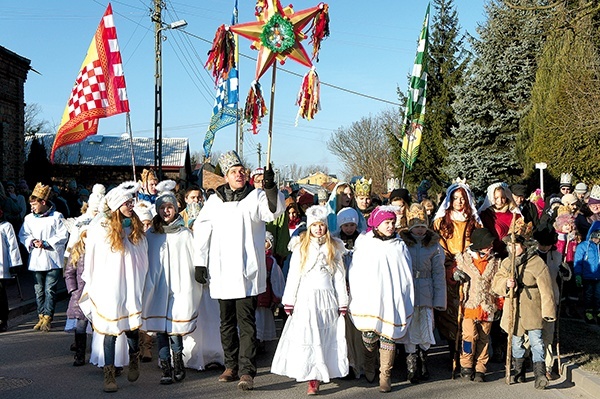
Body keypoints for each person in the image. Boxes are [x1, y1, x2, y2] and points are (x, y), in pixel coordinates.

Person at [193, 150, 285, 391]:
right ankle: (230, 364)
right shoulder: (215, 201)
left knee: (246, 322)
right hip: (222, 271)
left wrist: (271, 188)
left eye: (242, 171)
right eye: (234, 172)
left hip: (245, 271)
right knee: (226, 322)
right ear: (226, 176)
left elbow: (273, 212)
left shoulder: (255, 198)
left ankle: (246, 370)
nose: (239, 175)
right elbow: (202, 231)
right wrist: (200, 262)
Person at [79, 181, 149, 392]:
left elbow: (143, 255)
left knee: (131, 329)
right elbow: (93, 254)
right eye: (126, 203)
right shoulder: (102, 228)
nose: (130, 206)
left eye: (131, 202)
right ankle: (109, 374)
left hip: (130, 284)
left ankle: (134, 357)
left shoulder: (135, 227)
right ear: (116, 206)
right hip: (109, 285)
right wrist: (92, 281)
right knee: (110, 330)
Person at [271, 205, 348, 395]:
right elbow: (294, 275)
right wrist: (289, 300)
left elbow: (339, 276)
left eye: (321, 225)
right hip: (306, 297)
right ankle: (311, 376)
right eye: (314, 226)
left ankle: (324, 370)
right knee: (309, 335)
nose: (318, 229)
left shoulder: (334, 247)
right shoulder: (301, 246)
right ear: (309, 227)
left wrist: (343, 302)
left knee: (324, 335)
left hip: (327, 298)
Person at [348, 205, 414, 393]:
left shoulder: (399, 245)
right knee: (370, 336)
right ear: (377, 224)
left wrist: (404, 294)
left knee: (389, 337)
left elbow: (405, 273)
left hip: (392, 299)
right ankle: (370, 363)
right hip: (371, 297)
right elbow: (357, 270)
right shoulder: (366, 243)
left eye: (393, 222)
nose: (391, 226)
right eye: (387, 222)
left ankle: (385, 374)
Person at [143, 183, 201, 385]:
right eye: (161, 208)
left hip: (179, 287)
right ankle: (165, 368)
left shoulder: (184, 234)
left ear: (176, 209)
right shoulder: (151, 234)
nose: (165, 211)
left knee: (175, 329)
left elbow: (192, 259)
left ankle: (178, 364)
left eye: (169, 207)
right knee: (160, 330)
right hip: (158, 286)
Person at [492, 227, 556, 390]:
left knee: (536, 342)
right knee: (516, 342)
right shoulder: (507, 263)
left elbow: (546, 289)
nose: (512, 249)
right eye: (510, 246)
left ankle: (540, 374)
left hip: (533, 307)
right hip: (514, 308)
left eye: (516, 246)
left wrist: (548, 312)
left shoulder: (537, 262)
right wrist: (506, 284)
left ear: (524, 246)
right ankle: (518, 371)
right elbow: (496, 283)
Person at [431, 180, 481, 364]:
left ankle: (466, 355)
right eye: (455, 198)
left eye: (462, 198)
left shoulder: (474, 221)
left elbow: (479, 244)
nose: (459, 202)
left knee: (468, 313)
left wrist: (469, 260)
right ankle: (453, 350)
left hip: (469, 271)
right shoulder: (440, 222)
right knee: (450, 314)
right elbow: (438, 246)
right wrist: (451, 266)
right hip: (448, 271)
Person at [399, 204, 446, 384]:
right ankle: (411, 366)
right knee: (410, 329)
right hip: (409, 291)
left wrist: (439, 299)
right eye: (416, 227)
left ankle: (423, 361)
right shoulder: (403, 244)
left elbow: (438, 273)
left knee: (425, 328)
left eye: (422, 227)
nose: (419, 231)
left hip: (426, 290)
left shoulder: (434, 246)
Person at [451, 228, 500, 382]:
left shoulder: (495, 262)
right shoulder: (464, 260)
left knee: (484, 338)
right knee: (469, 336)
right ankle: (466, 364)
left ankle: (481, 367)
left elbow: (498, 285)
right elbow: (451, 274)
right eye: (487, 244)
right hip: (469, 304)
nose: (490, 247)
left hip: (487, 305)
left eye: (491, 244)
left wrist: (499, 304)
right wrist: (454, 274)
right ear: (479, 245)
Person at [18, 183, 69, 332]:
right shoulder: (29, 219)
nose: (32, 207)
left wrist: (46, 243)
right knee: (38, 289)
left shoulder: (56, 216)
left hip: (52, 258)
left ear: (43, 202)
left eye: (35, 204)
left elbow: (62, 235)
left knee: (50, 289)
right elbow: (24, 234)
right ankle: (40, 315)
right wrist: (32, 242)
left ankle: (48, 316)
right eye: (31, 205)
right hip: (36, 259)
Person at [64, 227, 90, 366]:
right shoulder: (77, 251)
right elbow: (69, 273)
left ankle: (102, 355)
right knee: (80, 325)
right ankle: (80, 355)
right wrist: (73, 290)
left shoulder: (98, 250)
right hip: (80, 293)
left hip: (95, 292)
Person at [256, 232, 285, 353]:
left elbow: (276, 280)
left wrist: (277, 297)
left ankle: (260, 341)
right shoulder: (253, 257)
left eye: (266, 242)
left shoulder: (271, 262)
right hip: (254, 294)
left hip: (265, 295)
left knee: (262, 319)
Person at [478, 182, 522, 259]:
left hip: (509, 254)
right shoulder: (485, 215)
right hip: (490, 254)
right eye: (496, 198)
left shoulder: (514, 214)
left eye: (503, 198)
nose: (500, 201)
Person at [0, 204, 23, 332]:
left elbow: (12, 246)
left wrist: (15, 263)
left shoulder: (6, 226)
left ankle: (3, 319)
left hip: (2, 266)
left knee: (0, 294)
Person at [574, 220, 600, 324]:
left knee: (598, 295)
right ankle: (588, 311)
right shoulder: (584, 246)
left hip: (598, 276)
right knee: (588, 295)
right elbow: (578, 261)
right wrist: (578, 274)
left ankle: (598, 311)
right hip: (587, 276)